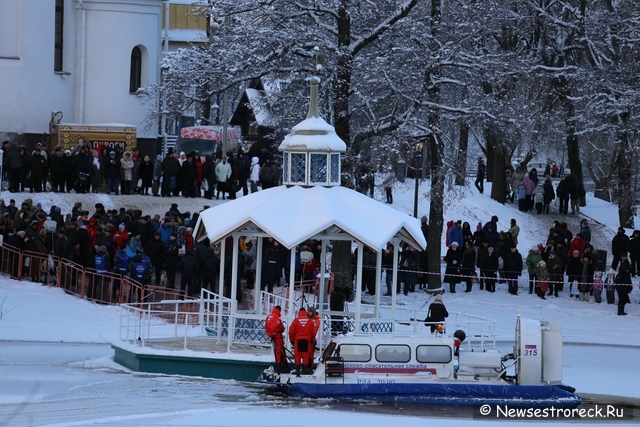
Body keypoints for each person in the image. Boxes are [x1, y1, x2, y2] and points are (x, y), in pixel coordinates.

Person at [265, 305, 288, 374]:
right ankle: (281, 368)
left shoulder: (269, 316)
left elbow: (266, 326)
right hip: (277, 336)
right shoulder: (276, 318)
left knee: (277, 351)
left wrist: (270, 335)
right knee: (280, 351)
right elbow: (279, 327)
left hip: (272, 336)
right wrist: (280, 330)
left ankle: (281, 366)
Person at [288, 307, 311, 376]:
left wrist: (291, 340)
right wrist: (311, 339)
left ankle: (297, 370)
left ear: (299, 312)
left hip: (298, 340)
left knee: (297, 355)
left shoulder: (296, 320)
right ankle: (304, 370)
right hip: (306, 340)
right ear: (305, 312)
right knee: (305, 356)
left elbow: (291, 331)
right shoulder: (309, 320)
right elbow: (313, 331)